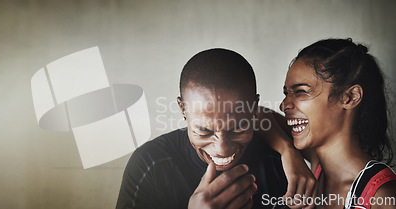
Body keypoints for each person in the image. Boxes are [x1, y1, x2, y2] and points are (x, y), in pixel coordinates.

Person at [116, 48, 316, 209]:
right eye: (204, 131)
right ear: (182, 109)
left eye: (237, 129)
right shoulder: (150, 164)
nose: (222, 149)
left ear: (253, 108)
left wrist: (287, 150)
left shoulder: (282, 166)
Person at [280, 38, 396, 209]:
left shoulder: (384, 197)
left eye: (300, 92)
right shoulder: (318, 164)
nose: (284, 105)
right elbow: (257, 114)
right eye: (286, 93)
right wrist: (286, 151)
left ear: (349, 97)